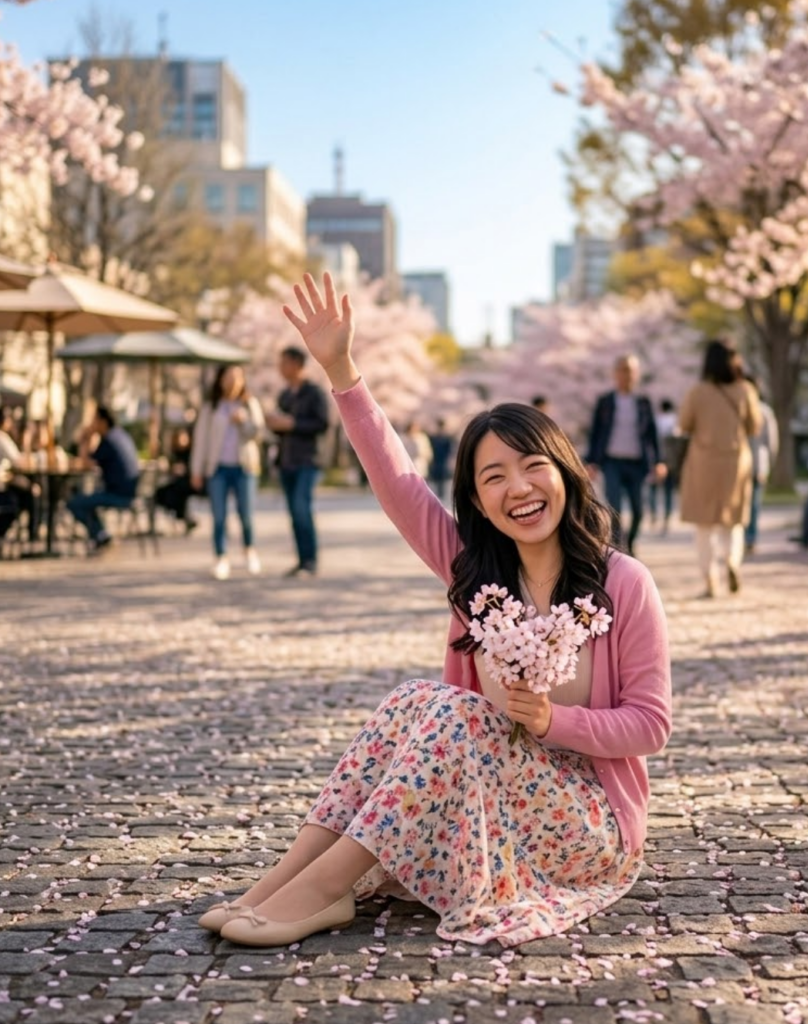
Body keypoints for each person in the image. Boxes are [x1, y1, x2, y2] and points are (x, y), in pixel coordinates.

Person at [197, 273, 671, 950]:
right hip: (495, 806)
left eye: (532, 466)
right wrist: (342, 371)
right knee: (414, 699)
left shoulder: (622, 582)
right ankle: (282, 882)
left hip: (588, 824)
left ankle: (322, 889)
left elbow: (650, 725)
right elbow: (397, 483)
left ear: (565, 472)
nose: (518, 488)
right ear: (476, 502)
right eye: (493, 477)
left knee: (454, 713)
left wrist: (551, 721)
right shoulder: (476, 573)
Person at [677, 339, 762, 597]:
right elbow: (755, 427)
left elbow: (684, 424)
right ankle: (732, 562)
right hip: (735, 461)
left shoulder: (697, 392)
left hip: (704, 462)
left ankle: (710, 580)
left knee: (704, 525)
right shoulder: (745, 390)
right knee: (732, 521)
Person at [585, 354, 666, 555]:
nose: (626, 374)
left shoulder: (643, 402)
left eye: (630, 370)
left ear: (637, 374)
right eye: (622, 370)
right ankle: (619, 551)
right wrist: (591, 462)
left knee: (638, 510)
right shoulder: (605, 402)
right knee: (615, 508)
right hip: (612, 462)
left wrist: (659, 461)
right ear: (615, 373)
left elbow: (652, 434)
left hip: (637, 463)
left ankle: (629, 543)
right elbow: (595, 433)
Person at [190, 366, 265, 580]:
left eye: (237, 378)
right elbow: (201, 441)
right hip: (218, 468)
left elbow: (259, 434)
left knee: (246, 514)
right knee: (219, 516)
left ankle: (250, 551)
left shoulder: (250, 404)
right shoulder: (211, 407)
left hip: (245, 467)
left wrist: (244, 421)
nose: (233, 382)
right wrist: (196, 470)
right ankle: (221, 557)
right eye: (228, 377)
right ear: (220, 380)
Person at [264, 346, 330, 577]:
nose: (280, 368)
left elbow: (322, 424)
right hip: (286, 460)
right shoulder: (284, 395)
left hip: (307, 460)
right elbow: (281, 428)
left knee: (302, 508)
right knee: (294, 512)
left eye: (284, 363)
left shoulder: (314, 393)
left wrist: (293, 424)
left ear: (296, 364)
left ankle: (310, 561)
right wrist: (275, 424)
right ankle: (302, 560)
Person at [67, 407, 141, 552]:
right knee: (85, 501)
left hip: (117, 495)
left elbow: (86, 462)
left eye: (94, 420)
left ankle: (100, 534)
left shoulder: (109, 440)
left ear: (103, 421)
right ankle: (100, 534)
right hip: (129, 492)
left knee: (75, 503)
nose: (92, 424)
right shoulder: (121, 435)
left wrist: (86, 437)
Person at [743, 376, 780, 555]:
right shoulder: (764, 411)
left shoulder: (758, 411)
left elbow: (771, 442)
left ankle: (747, 538)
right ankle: (749, 539)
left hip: (750, 464)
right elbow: (771, 442)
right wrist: (769, 463)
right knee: (753, 504)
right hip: (758, 463)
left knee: (747, 503)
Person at [0, 406, 39, 545]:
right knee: (30, 493)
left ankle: (32, 533)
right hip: (3, 486)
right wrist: (27, 443)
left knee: (30, 490)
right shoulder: (2, 438)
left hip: (6, 482)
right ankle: (32, 535)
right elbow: (19, 462)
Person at [648, 399, 678, 536]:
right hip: (671, 461)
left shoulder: (656, 420)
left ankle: (653, 514)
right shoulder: (675, 422)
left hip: (655, 460)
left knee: (653, 489)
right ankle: (667, 518)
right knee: (668, 492)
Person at [427, 418, 454, 500]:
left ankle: (441, 494)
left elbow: (449, 450)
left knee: (442, 477)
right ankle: (438, 494)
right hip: (436, 459)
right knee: (436, 478)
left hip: (443, 460)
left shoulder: (446, 438)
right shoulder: (434, 437)